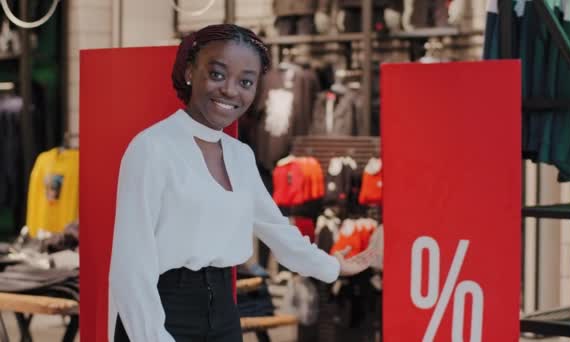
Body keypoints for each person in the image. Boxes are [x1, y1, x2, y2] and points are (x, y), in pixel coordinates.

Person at [108, 24, 376, 342]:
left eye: (245, 81)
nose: (231, 90)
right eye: (218, 74)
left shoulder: (240, 156)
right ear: (190, 71)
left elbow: (277, 232)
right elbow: (130, 265)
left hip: (223, 313)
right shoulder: (151, 148)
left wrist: (332, 266)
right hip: (163, 312)